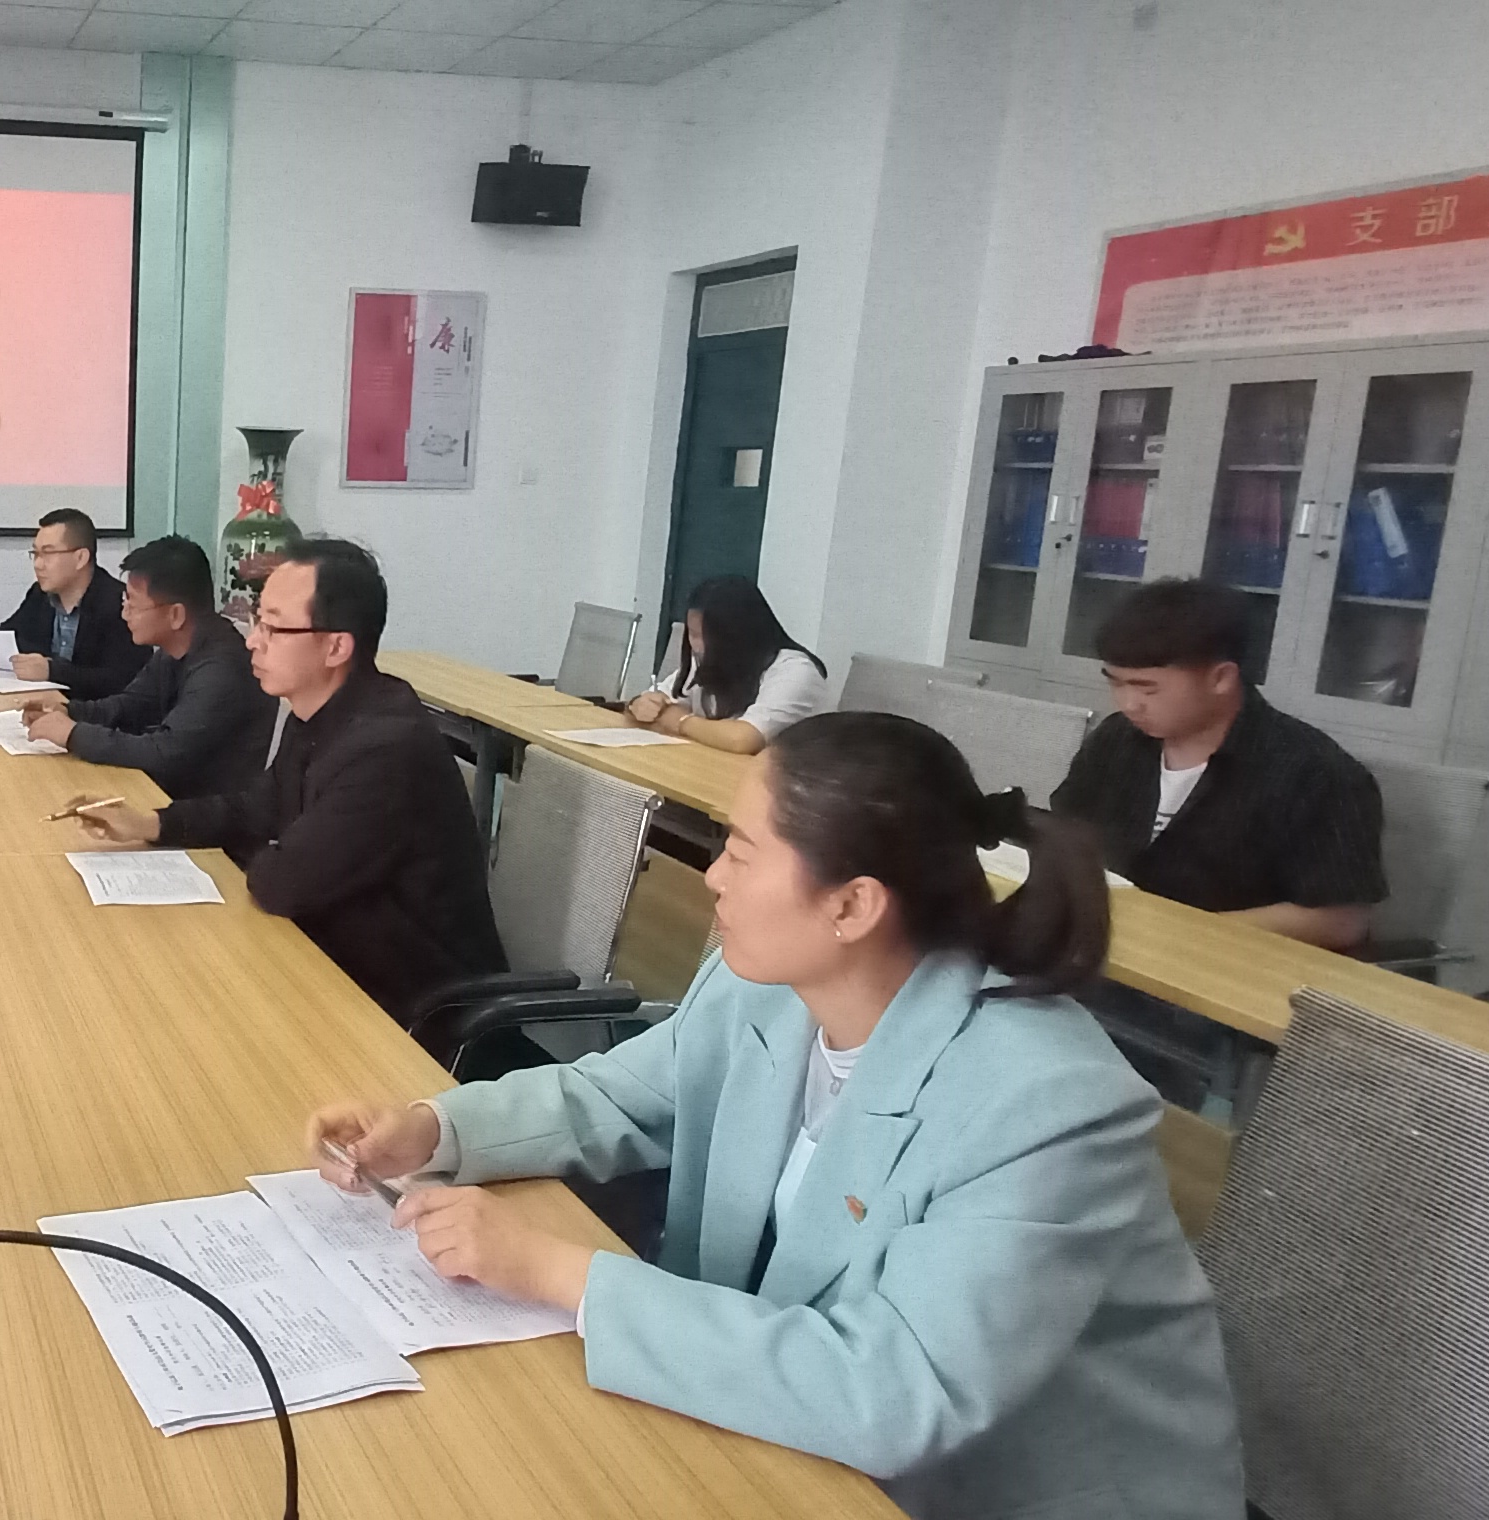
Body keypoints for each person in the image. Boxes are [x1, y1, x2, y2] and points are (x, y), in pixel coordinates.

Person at [308, 712, 1241, 1520]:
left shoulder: (1043, 1101)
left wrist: (558, 1271)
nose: (711, 877)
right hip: (800, 1435)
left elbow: (899, 1390)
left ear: (853, 905)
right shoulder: (762, 985)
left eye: (742, 853)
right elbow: (617, 1097)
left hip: (988, 1493)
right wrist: (434, 1131)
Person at [71, 538, 503, 1013]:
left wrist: (272, 848)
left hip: (418, 1013)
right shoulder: (320, 711)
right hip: (332, 968)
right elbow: (256, 809)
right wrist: (150, 824)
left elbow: (282, 883)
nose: (252, 641)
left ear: (336, 646)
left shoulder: (386, 748)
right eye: (258, 621)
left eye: (273, 628)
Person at [1050, 578, 1384, 950]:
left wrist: (1176, 933)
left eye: (1147, 688)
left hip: (1231, 964)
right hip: (1105, 949)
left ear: (1221, 678)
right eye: (1117, 684)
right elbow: (1065, 834)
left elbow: (1340, 920)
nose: (1129, 704)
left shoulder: (1316, 773)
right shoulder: (1116, 740)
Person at [17, 535, 266, 800]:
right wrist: (67, 711)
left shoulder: (221, 669)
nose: (125, 613)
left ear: (175, 615)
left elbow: (163, 752)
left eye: (133, 605)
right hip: (168, 794)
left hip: (201, 811)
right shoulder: (174, 648)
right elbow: (129, 706)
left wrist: (73, 734)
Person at [625, 574, 829, 754]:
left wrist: (680, 720)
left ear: (739, 635)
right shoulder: (709, 662)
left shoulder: (796, 671)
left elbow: (743, 739)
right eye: (693, 634)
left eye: (707, 636)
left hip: (788, 781)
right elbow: (661, 699)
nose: (698, 646)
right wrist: (641, 704)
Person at [0, 508, 141, 698]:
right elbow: (8, 637)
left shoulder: (120, 603)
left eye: (48, 553)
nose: (38, 564)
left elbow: (122, 680)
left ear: (80, 558)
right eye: (35, 553)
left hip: (94, 712)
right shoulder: (39, 595)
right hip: (43, 703)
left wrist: (52, 671)